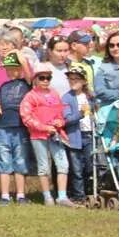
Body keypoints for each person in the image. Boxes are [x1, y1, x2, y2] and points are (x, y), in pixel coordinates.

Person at [20, 62, 75, 207]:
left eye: (48, 78)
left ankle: (62, 196)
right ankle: (47, 196)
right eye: (42, 78)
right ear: (35, 79)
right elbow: (26, 117)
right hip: (38, 136)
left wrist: (59, 122)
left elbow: (60, 112)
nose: (45, 81)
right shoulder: (30, 97)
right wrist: (44, 128)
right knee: (43, 166)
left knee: (63, 164)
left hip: (55, 134)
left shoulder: (55, 93)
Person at [0, 52, 30, 205]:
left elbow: (27, 72)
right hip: (3, 127)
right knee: (3, 160)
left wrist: (21, 58)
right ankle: (5, 195)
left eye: (13, 68)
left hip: (20, 126)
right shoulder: (4, 86)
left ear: (19, 68)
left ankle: (21, 194)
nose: (10, 71)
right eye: (7, 68)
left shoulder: (26, 84)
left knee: (20, 160)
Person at [62, 64, 94, 204]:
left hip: (89, 135)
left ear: (84, 81)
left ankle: (90, 193)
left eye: (76, 79)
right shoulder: (66, 98)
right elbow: (66, 119)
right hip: (74, 136)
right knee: (76, 169)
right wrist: (80, 114)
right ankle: (78, 196)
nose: (73, 81)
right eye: (71, 79)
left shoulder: (91, 97)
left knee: (90, 166)